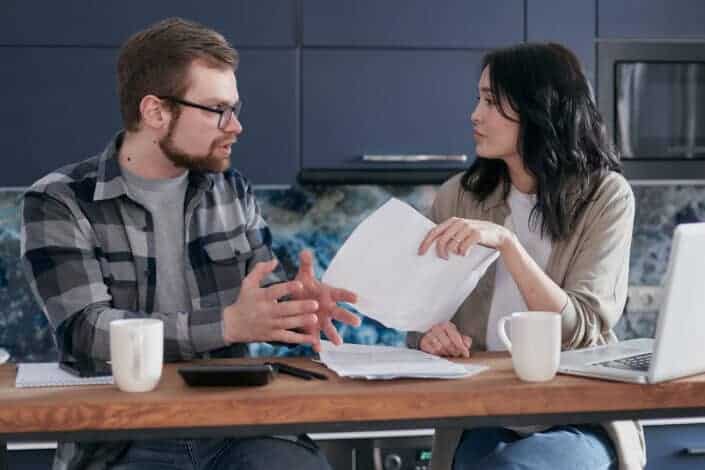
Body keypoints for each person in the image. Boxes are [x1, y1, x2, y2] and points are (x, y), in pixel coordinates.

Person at [20, 17, 360, 470]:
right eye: (218, 109)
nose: (235, 126)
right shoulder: (59, 200)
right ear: (156, 112)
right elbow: (87, 330)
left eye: (235, 108)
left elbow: (258, 307)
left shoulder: (232, 189)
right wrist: (227, 326)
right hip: (120, 436)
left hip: (239, 425)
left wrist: (297, 306)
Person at [408, 43, 646, 470]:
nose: (474, 114)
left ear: (540, 110)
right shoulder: (457, 196)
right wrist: (430, 335)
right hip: (482, 412)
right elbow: (418, 319)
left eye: (492, 102)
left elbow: (580, 328)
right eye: (479, 98)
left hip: (576, 412)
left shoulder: (604, 197)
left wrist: (507, 244)